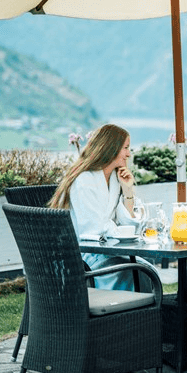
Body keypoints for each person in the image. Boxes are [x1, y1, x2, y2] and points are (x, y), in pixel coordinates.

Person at [49, 123, 145, 291]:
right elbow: (93, 229)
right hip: (83, 255)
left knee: (145, 268)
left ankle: (144, 315)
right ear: (111, 148)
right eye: (125, 148)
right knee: (131, 270)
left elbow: (127, 223)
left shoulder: (115, 179)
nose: (129, 153)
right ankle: (120, 314)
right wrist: (123, 234)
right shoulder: (84, 180)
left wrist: (128, 189)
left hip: (107, 248)